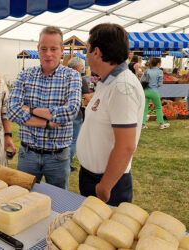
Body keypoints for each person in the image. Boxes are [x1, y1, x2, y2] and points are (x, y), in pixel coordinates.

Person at [76, 23, 145, 206]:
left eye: (87, 49)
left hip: (107, 184)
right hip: (94, 178)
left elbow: (126, 146)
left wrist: (105, 186)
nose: (86, 55)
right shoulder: (108, 82)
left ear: (97, 52)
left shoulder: (123, 87)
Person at [7, 26, 82, 190]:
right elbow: (11, 110)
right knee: (21, 200)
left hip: (58, 157)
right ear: (38, 50)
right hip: (28, 154)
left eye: (53, 49)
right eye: (44, 49)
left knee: (58, 205)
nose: (48, 53)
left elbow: (70, 112)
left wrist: (30, 109)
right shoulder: (25, 75)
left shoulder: (72, 75)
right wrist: (48, 122)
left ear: (62, 50)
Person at [67, 57, 93, 171]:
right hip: (76, 114)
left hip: (62, 114)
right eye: (82, 66)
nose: (83, 68)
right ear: (77, 67)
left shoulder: (63, 76)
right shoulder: (80, 78)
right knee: (73, 140)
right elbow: (88, 97)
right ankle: (67, 165)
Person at [141, 58, 170, 130]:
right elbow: (160, 84)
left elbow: (141, 80)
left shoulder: (147, 70)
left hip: (145, 91)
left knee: (144, 108)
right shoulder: (160, 72)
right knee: (158, 107)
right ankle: (161, 124)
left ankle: (142, 124)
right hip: (154, 91)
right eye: (160, 63)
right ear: (158, 64)